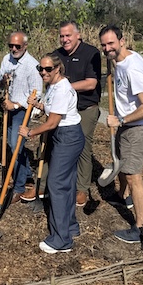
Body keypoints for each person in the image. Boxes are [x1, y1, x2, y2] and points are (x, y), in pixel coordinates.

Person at [99, 25, 143, 244]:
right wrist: (111, 60)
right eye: (104, 45)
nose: (107, 48)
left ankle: (140, 227)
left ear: (122, 41)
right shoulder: (121, 60)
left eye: (111, 44)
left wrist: (121, 120)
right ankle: (122, 197)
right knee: (123, 167)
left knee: (134, 176)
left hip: (135, 127)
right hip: (126, 125)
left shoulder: (132, 68)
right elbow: (116, 61)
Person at [19, 54, 84, 254]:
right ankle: (71, 227)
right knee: (67, 183)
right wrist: (38, 104)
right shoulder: (54, 86)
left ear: (58, 69)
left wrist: (30, 132)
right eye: (41, 68)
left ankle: (62, 240)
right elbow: (52, 109)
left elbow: (52, 122)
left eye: (48, 69)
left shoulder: (63, 89)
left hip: (68, 137)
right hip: (65, 135)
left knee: (56, 185)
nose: (43, 72)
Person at [52, 21, 101, 208]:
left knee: (82, 146)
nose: (65, 40)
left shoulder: (91, 53)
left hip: (85, 108)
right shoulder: (57, 55)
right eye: (62, 36)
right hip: (63, 109)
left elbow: (90, 83)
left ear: (78, 35)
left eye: (68, 36)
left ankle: (82, 188)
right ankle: (52, 183)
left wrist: (65, 88)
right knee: (55, 143)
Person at [0, 32, 42, 203]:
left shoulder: (32, 65)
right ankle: (27, 174)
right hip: (8, 108)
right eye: (11, 46)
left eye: (17, 46)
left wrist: (15, 105)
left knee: (15, 147)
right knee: (13, 144)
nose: (14, 49)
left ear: (25, 46)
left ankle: (19, 187)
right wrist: (2, 81)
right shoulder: (7, 59)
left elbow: (36, 93)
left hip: (22, 110)